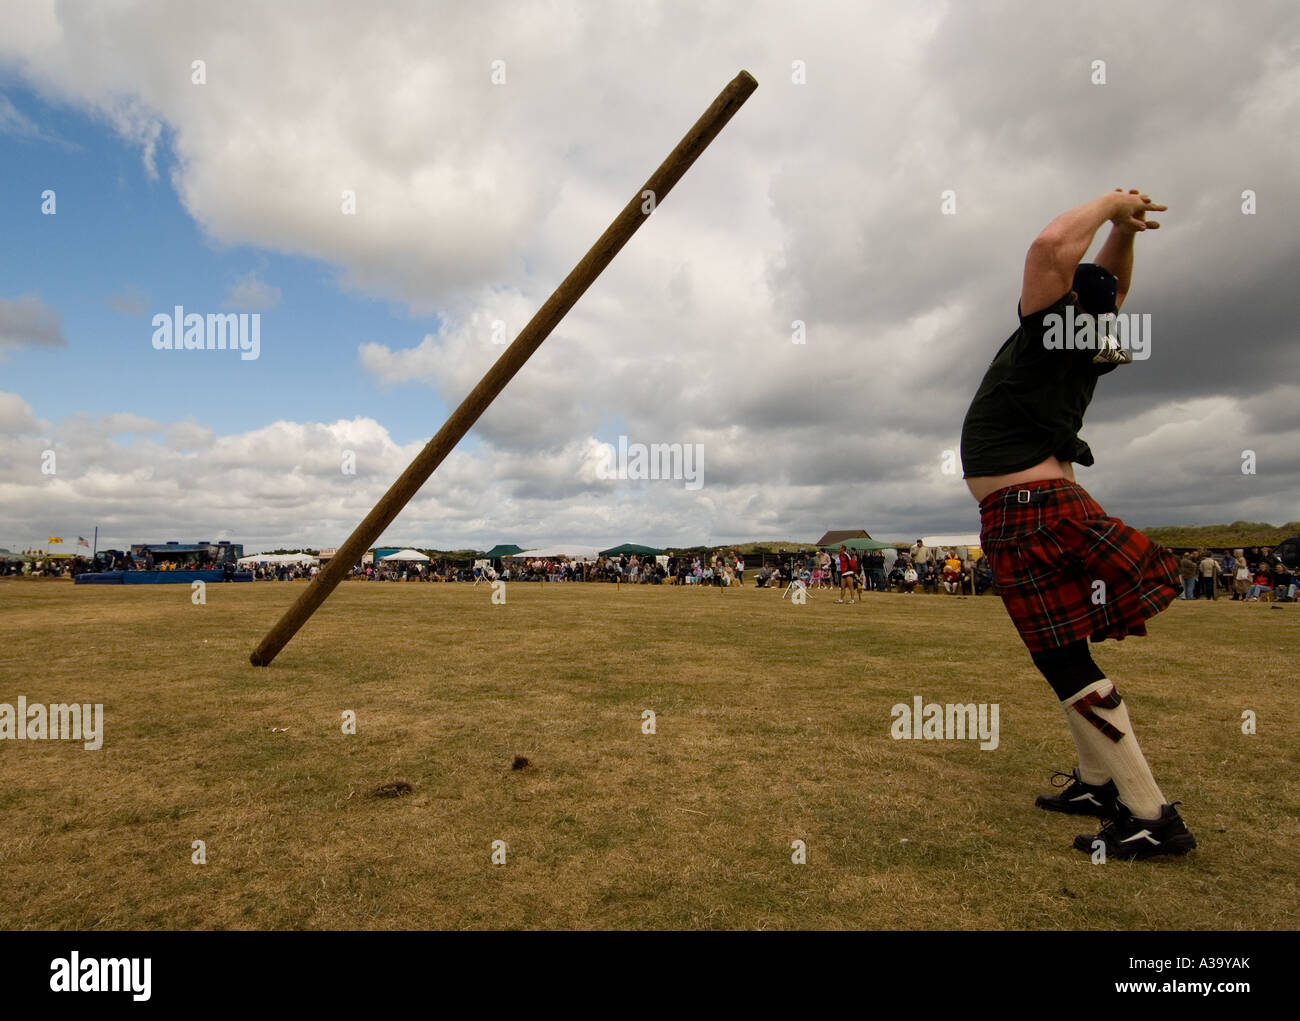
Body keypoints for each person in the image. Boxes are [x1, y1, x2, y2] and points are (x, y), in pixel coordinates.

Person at [959, 188, 1194, 859]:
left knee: (1066, 661)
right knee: (1057, 655)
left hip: (1026, 512)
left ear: (1065, 302)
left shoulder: (1048, 332)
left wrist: (1111, 202)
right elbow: (1110, 288)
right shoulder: (1088, 336)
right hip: (1044, 504)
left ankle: (1149, 812)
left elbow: (1047, 249)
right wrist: (1127, 232)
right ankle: (1097, 781)